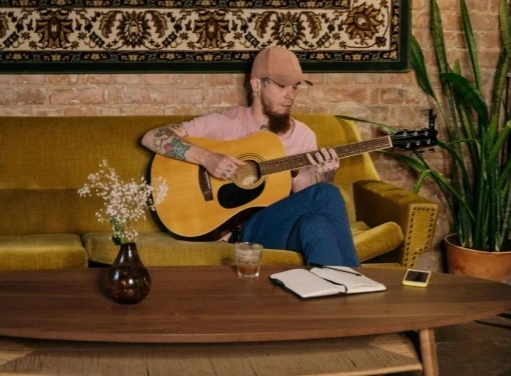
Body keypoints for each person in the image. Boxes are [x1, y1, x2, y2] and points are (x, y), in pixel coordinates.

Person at [141, 47, 360, 267]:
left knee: (316, 222)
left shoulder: (303, 135)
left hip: (279, 229)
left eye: (295, 87)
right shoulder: (226, 123)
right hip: (241, 230)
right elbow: (152, 137)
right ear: (256, 85)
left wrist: (325, 176)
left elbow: (305, 198)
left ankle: (340, 293)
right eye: (281, 86)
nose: (290, 96)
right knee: (326, 194)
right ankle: (358, 278)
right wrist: (207, 158)